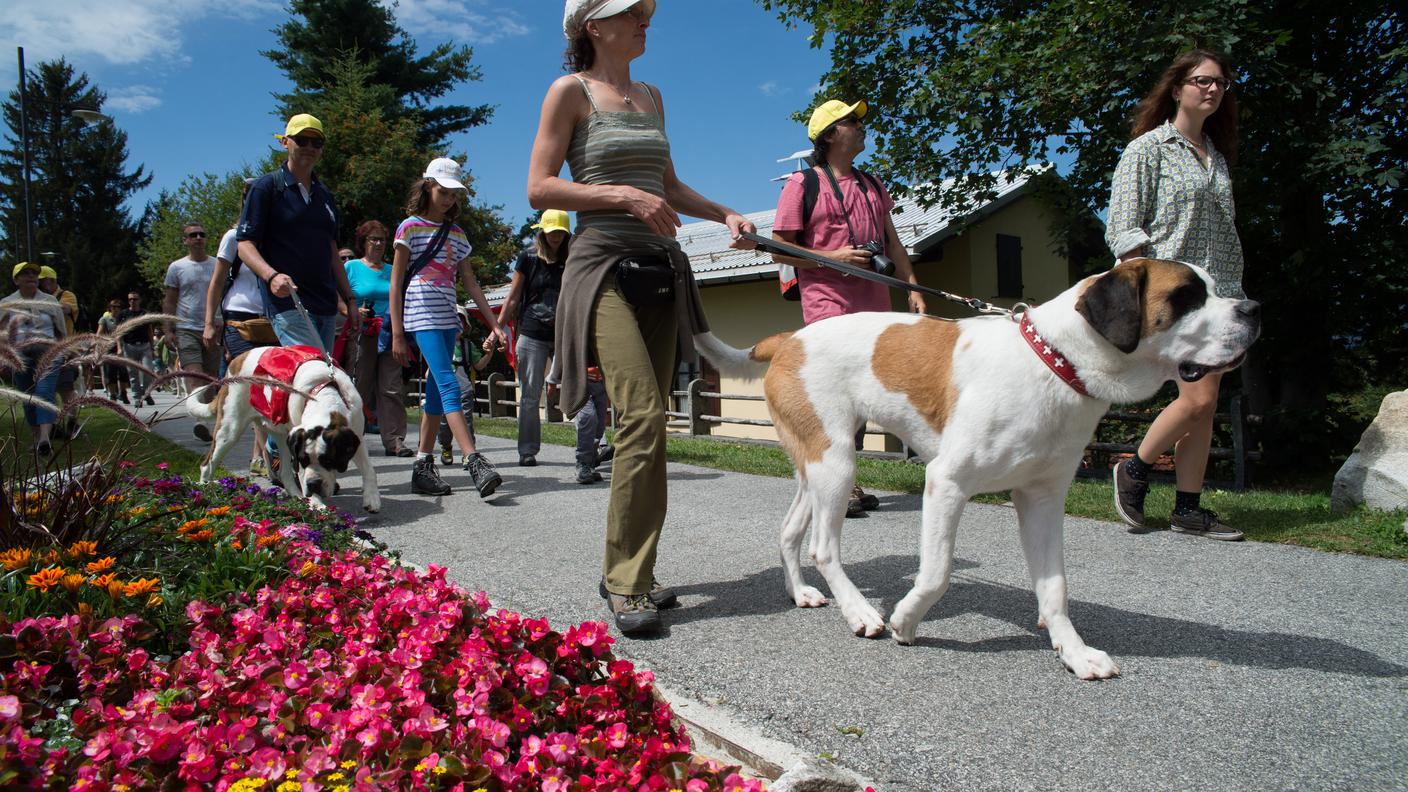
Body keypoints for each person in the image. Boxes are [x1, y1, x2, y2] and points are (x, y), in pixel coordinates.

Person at [528, 0, 757, 635]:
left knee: (651, 421)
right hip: (600, 266)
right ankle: (626, 583)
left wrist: (725, 213)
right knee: (641, 412)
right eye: (630, 12)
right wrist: (621, 195)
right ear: (593, 26)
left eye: (644, 12)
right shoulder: (568, 92)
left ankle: (635, 569)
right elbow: (540, 188)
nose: (644, 20)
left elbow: (669, 184)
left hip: (660, 269)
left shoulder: (651, 95)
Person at [1106, 49, 1246, 543]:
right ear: (1177, 87)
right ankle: (1136, 468)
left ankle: (1188, 507)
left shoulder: (1216, 157)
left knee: (1205, 404)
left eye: (1221, 84)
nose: (1212, 89)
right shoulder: (1148, 149)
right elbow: (1123, 229)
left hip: (1218, 298)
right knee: (1199, 397)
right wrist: (1146, 297)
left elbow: (1223, 235)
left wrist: (1232, 296)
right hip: (1178, 302)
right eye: (1202, 80)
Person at [769, 98, 927, 518]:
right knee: (836, 397)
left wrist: (912, 287)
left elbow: (893, 242)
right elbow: (778, 250)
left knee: (863, 395)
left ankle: (841, 479)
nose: (861, 127)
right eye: (851, 121)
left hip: (875, 306)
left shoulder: (873, 184)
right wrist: (833, 258)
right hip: (828, 304)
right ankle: (842, 484)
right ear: (829, 135)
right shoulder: (803, 185)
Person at [389, 157, 508, 498]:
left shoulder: (457, 234)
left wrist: (494, 323)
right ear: (428, 186)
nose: (448, 199)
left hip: (447, 313)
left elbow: (470, 282)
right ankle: (474, 460)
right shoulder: (408, 227)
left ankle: (423, 466)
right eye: (443, 191)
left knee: (438, 396)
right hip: (420, 311)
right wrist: (398, 332)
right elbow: (396, 284)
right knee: (447, 381)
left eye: (454, 194)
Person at [236, 113, 360, 352]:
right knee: (312, 373)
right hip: (288, 303)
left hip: (325, 305)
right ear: (285, 142)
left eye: (317, 142)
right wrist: (271, 276)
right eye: (302, 140)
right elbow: (244, 244)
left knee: (318, 376)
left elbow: (332, 252)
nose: (310, 147)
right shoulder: (266, 187)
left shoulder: (324, 195)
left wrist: (350, 300)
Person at [206, 178, 274, 476]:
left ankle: (259, 456)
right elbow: (218, 281)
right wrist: (210, 322)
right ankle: (261, 457)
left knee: (270, 390)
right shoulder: (233, 237)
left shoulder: (275, 237)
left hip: (272, 320)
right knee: (255, 385)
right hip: (239, 319)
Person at [497, 209, 571, 466]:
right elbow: (513, 297)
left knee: (584, 385)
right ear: (542, 231)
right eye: (552, 231)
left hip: (564, 331)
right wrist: (498, 328)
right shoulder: (528, 257)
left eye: (561, 232)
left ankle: (592, 447)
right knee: (530, 394)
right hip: (532, 331)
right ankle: (527, 451)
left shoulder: (572, 255)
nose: (556, 236)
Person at [343, 220, 413, 457]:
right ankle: (349, 438)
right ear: (363, 242)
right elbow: (336, 295)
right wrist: (349, 311)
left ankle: (395, 440)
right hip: (362, 332)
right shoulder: (351, 267)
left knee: (391, 387)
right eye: (373, 239)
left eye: (382, 239)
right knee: (358, 386)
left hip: (391, 332)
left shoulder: (394, 269)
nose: (379, 243)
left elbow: (403, 298)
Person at [1, 262, 68, 455]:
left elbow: (60, 330)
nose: (31, 277)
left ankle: (46, 438)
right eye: (26, 274)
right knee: (27, 396)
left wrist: (65, 351)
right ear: (16, 280)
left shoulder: (49, 301)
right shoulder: (7, 303)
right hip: (19, 355)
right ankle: (37, 437)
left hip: (48, 352)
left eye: (34, 274)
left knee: (44, 392)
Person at [165, 220, 223, 439]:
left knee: (210, 378)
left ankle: (205, 416)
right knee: (195, 375)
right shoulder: (177, 267)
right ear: (185, 241)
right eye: (193, 235)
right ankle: (200, 421)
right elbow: (170, 301)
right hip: (186, 328)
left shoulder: (218, 264)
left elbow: (223, 295)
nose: (198, 238)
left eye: (202, 234)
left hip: (214, 327)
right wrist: (168, 329)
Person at [437, 304, 497, 465]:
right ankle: (446, 445)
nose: (457, 324)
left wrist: (489, 353)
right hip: (445, 391)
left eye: (461, 321)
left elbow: (479, 365)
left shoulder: (468, 346)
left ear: (465, 326)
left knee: (467, 422)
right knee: (444, 424)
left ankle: (468, 453)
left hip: (464, 391)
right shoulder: (439, 345)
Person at [36, 265, 81, 437]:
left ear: (51, 281)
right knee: (45, 390)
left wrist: (40, 305)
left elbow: (66, 309)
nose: (39, 285)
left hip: (64, 349)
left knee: (65, 387)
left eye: (41, 281)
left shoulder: (66, 296)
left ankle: (71, 420)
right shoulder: (37, 298)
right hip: (42, 351)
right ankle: (53, 424)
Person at [116, 292, 156, 406]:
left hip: (144, 346)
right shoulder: (123, 314)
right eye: (130, 299)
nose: (132, 301)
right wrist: (119, 347)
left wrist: (152, 347)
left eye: (135, 299)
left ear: (139, 300)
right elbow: (118, 332)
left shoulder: (144, 313)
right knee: (133, 373)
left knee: (148, 371)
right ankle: (137, 398)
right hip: (129, 346)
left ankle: (147, 393)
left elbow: (149, 330)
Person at [98, 298, 130, 403]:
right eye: (113, 307)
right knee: (110, 373)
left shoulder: (123, 319)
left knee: (123, 372)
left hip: (123, 347)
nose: (116, 309)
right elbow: (99, 333)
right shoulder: (105, 319)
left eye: (118, 307)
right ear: (110, 308)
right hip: (110, 348)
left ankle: (123, 393)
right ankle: (112, 394)